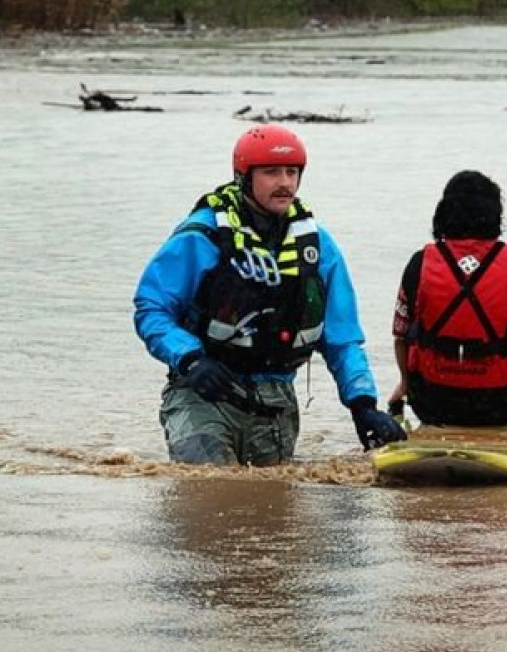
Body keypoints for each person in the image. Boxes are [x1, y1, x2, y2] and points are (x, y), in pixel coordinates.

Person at [133, 124, 405, 466]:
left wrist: (362, 406)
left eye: (292, 172)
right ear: (243, 177)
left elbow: (342, 338)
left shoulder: (318, 247)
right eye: (271, 172)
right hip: (203, 394)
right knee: (211, 489)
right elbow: (151, 309)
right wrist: (191, 359)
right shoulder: (201, 237)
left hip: (276, 404)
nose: (285, 183)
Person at [386, 170, 507, 428]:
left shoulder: (418, 264)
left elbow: (400, 337)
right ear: (495, 215)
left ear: (443, 212)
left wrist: (404, 384)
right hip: (503, 404)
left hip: (432, 402)